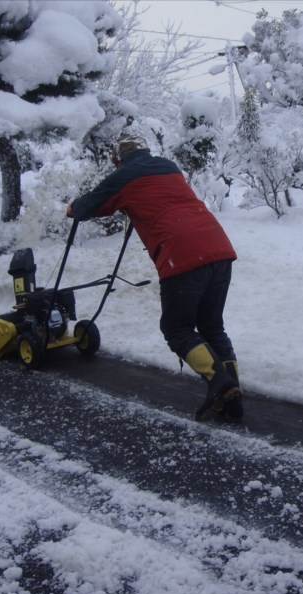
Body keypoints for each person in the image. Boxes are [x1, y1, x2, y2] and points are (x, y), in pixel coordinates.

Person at [67, 133, 243, 422]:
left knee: (176, 328)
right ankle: (232, 398)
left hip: (182, 253)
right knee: (212, 326)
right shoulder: (168, 166)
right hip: (219, 248)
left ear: (119, 157)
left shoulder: (123, 175)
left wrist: (72, 208)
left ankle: (220, 384)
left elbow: (90, 205)